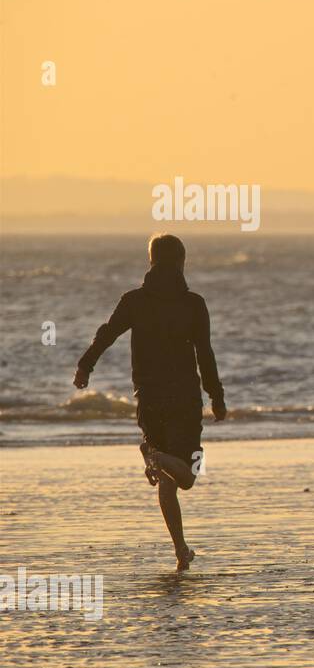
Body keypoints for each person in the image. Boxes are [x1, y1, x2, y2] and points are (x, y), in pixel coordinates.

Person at [73, 234, 227, 571]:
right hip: (184, 398)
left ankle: (181, 550)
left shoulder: (134, 301)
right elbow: (205, 354)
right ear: (181, 262)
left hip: (149, 399)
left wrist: (86, 365)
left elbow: (107, 333)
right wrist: (217, 397)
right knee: (187, 477)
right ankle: (154, 457)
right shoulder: (193, 304)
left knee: (169, 479)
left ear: (152, 261)